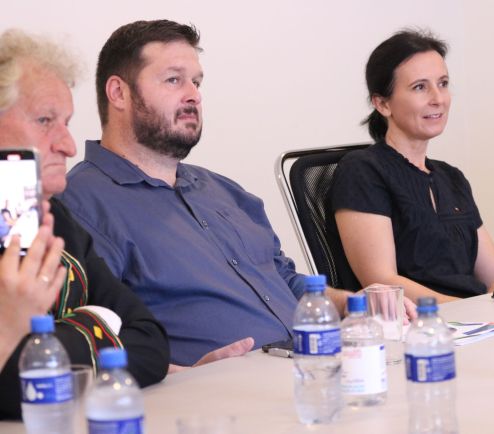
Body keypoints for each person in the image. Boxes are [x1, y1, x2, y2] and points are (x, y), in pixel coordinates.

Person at [60, 20, 404, 371]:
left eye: (196, 82)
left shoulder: (224, 191)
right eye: (174, 80)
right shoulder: (79, 204)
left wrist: (348, 304)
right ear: (118, 93)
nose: (194, 95)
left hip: (312, 369)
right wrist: (184, 377)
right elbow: (94, 339)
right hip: (217, 393)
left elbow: (284, 280)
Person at [0, 28, 169, 419]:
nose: (68, 145)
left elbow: (151, 343)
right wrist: (97, 326)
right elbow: (11, 393)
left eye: (67, 122)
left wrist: (39, 346)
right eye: (45, 120)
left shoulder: (56, 218)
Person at [327, 30, 494, 303]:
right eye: (420, 87)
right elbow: (381, 282)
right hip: (420, 323)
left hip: (475, 319)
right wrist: (472, 311)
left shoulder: (452, 178)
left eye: (443, 83)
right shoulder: (363, 170)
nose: (438, 98)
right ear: (382, 104)